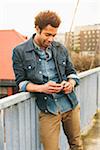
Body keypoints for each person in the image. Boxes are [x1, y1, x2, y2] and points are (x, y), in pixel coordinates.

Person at [12, 10, 83, 150]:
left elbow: (72, 73)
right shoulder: (19, 51)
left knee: (77, 145)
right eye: (47, 34)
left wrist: (70, 83)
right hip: (48, 108)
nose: (51, 39)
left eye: (54, 35)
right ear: (37, 29)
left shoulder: (60, 48)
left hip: (69, 104)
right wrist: (41, 88)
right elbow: (20, 83)